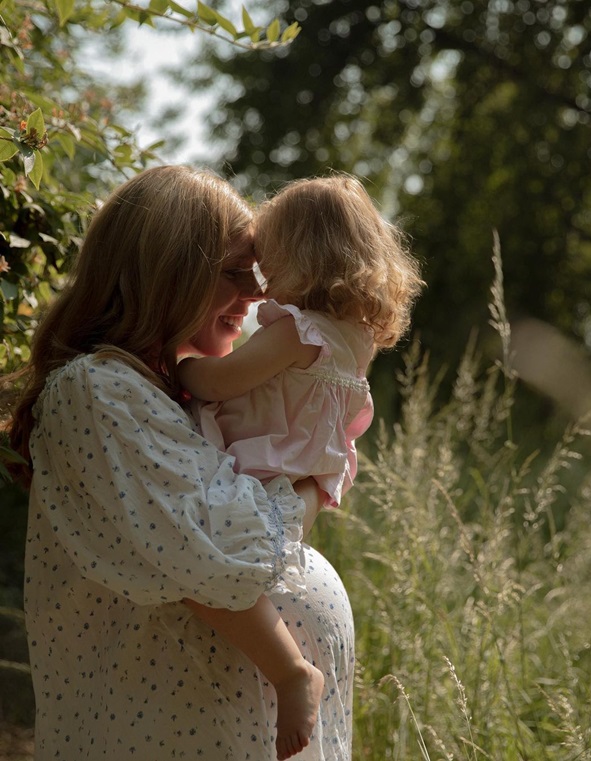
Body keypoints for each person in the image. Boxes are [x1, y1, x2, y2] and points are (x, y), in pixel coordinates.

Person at [7, 166, 355, 761]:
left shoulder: (161, 391)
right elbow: (223, 546)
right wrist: (313, 491)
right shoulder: (96, 391)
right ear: (168, 271)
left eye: (258, 273)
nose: (258, 294)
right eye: (234, 272)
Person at [178, 174, 424, 758]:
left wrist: (175, 364)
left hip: (262, 473)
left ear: (302, 259)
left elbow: (224, 380)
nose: (260, 288)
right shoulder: (354, 337)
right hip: (305, 481)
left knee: (206, 577)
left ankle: (291, 672)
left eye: (266, 265)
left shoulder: (298, 332)